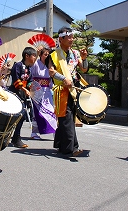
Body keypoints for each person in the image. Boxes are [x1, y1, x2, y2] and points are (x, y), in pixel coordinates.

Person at [47, 27, 88, 157]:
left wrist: (84, 58)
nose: (72, 40)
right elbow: (51, 71)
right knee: (67, 119)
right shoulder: (53, 54)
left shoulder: (75, 54)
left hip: (73, 89)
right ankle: (72, 148)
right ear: (61, 39)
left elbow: (84, 69)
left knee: (67, 119)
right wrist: (63, 78)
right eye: (69, 37)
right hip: (61, 90)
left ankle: (61, 145)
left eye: (72, 37)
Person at [8, 46, 37, 148]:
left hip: (22, 96)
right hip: (14, 94)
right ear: (27, 56)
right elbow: (16, 80)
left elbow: (29, 81)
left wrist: (31, 87)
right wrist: (25, 89)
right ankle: (4, 137)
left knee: (22, 116)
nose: (35, 58)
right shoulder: (18, 65)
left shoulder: (29, 69)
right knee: (11, 117)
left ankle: (16, 138)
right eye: (34, 56)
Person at [29, 46, 57, 139]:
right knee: (37, 113)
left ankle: (55, 131)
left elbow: (51, 79)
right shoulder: (36, 64)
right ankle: (34, 133)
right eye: (45, 54)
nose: (47, 56)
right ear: (40, 55)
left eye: (48, 54)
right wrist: (36, 54)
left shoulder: (50, 66)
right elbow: (31, 68)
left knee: (51, 111)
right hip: (37, 91)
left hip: (47, 91)